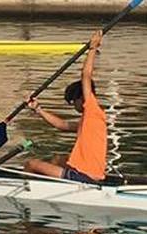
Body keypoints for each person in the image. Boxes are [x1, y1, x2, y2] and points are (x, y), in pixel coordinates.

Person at [23, 30, 107, 183]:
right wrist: (38, 109)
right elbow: (62, 125)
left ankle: (29, 189)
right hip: (92, 174)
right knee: (58, 160)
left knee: (31, 163)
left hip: (84, 176)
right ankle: (48, 183)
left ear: (81, 98)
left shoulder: (92, 108)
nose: (73, 106)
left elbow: (86, 76)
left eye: (73, 102)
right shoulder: (92, 120)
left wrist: (93, 48)